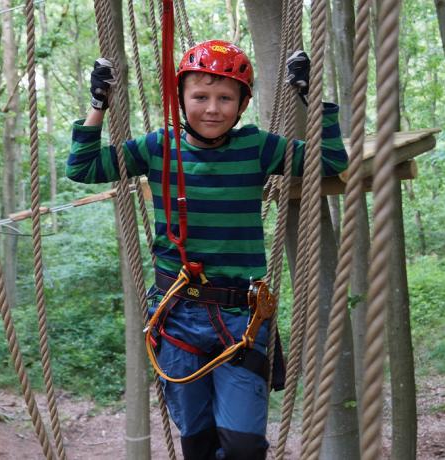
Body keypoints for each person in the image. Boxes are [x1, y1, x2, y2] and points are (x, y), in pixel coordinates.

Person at [67, 40, 348, 459]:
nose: (213, 108)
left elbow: (331, 161)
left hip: (241, 318)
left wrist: (313, 97)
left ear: (241, 103)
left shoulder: (256, 147)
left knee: (242, 445)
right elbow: (83, 167)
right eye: (200, 97)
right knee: (197, 444)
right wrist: (97, 104)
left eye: (225, 98)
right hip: (177, 313)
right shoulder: (160, 148)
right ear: (181, 99)